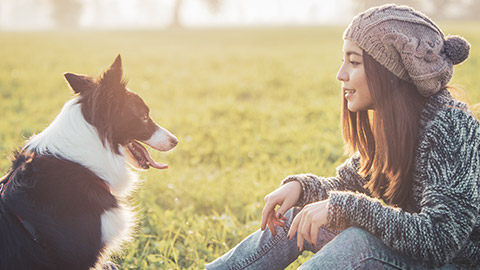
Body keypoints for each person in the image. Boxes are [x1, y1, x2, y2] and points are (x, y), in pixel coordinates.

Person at [205, 4, 478, 270]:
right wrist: (303, 188)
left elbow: (441, 240)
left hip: (456, 263)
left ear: (391, 73)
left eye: (354, 62)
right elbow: (351, 184)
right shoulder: (397, 125)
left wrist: (345, 207)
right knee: (298, 211)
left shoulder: (452, 127)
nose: (341, 74)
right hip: (420, 257)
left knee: (358, 244)